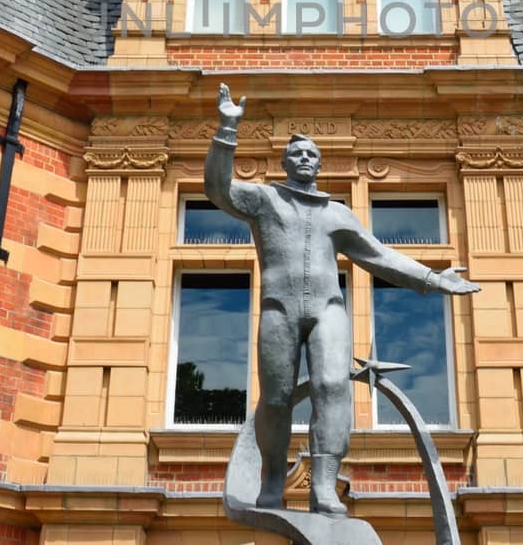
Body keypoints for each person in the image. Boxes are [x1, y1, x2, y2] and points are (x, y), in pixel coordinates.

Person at [204, 83, 480, 516]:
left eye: (312, 154)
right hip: (279, 309)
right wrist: (226, 128)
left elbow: (380, 257)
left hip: (328, 310)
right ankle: (273, 477)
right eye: (296, 154)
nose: (304, 159)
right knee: (276, 399)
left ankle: (324, 486)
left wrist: (432, 278)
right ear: (285, 162)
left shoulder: (337, 213)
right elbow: (218, 189)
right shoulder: (264, 199)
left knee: (332, 387)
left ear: (319, 163)